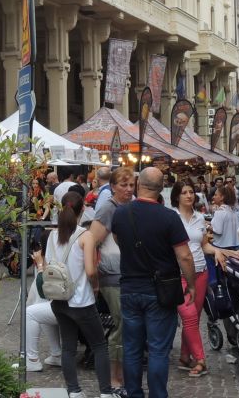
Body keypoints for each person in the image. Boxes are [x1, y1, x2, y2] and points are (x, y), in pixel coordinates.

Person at [112, 167, 196, 398]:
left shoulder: (120, 214)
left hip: (129, 287)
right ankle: (158, 395)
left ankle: (134, 393)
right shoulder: (169, 217)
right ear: (162, 189)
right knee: (158, 349)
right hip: (160, 291)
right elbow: (185, 256)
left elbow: (119, 240)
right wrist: (191, 284)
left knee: (132, 348)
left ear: (138, 184)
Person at [42, 191, 114, 398]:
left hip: (58, 300)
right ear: (83, 209)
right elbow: (91, 271)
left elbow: (46, 266)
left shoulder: (52, 235)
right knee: (99, 345)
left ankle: (74, 391)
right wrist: (96, 286)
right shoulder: (86, 235)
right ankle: (106, 393)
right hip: (81, 301)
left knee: (68, 347)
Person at [88, 166, 133, 394]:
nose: (128, 189)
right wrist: (94, 278)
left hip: (127, 275)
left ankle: (122, 373)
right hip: (111, 276)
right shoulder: (108, 208)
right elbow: (92, 242)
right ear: (113, 187)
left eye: (131, 185)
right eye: (123, 185)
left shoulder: (130, 207)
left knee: (126, 324)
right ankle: (115, 377)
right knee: (121, 325)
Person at [170, 183, 210, 378]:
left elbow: (205, 246)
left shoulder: (200, 217)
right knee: (190, 317)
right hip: (179, 275)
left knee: (193, 318)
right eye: (184, 192)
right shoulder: (170, 217)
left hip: (201, 272)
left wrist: (222, 251)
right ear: (176, 196)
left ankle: (185, 356)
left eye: (191, 192)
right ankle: (201, 359)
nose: (188, 195)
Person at [210, 182, 239, 250]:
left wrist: (207, 226)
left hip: (221, 247)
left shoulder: (220, 212)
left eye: (216, 195)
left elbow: (218, 230)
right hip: (234, 246)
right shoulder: (233, 211)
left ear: (222, 197)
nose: (213, 197)